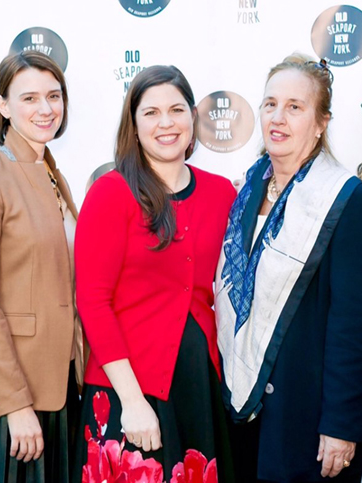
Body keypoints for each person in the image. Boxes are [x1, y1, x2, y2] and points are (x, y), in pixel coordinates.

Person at [74, 65, 236, 481]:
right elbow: (93, 302)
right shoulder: (110, 193)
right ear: (133, 123)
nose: (166, 123)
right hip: (127, 390)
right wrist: (132, 401)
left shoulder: (222, 194)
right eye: (151, 113)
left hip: (197, 385)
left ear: (193, 118)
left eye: (177, 109)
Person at [215, 53, 362, 482]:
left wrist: (340, 424)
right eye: (270, 104)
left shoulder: (343, 199)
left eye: (295, 107)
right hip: (244, 409)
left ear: (320, 123)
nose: (278, 117)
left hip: (307, 413)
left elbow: (350, 323)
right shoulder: (249, 187)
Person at [0, 51, 83, 482]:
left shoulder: (55, 176)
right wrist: (14, 403)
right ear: (3, 106)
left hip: (62, 387)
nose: (46, 109)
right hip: (8, 400)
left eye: (54, 96)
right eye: (29, 98)